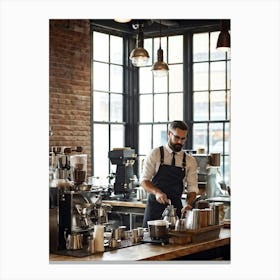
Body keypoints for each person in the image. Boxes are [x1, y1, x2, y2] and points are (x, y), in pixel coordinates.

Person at [140, 120, 198, 228]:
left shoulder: (190, 161)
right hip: (154, 209)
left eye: (183, 139)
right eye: (177, 137)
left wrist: (188, 204)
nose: (180, 142)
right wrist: (157, 192)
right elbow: (144, 181)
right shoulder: (155, 154)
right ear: (169, 134)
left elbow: (192, 190)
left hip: (175, 209)